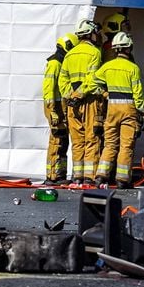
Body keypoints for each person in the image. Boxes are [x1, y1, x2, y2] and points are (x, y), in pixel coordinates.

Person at [91, 31, 144, 188]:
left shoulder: (107, 67)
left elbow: (93, 83)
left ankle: (101, 176)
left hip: (112, 108)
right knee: (126, 146)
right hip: (129, 108)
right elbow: (138, 92)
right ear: (129, 49)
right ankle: (122, 179)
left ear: (115, 49)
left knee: (110, 144)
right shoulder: (133, 68)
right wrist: (141, 110)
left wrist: (105, 93)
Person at [58, 19, 103, 186]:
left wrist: (71, 96)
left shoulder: (69, 54)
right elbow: (93, 79)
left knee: (77, 141)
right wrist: (80, 94)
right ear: (90, 34)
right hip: (89, 101)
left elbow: (62, 81)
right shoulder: (95, 53)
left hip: (72, 104)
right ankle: (89, 177)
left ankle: (77, 176)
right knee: (92, 138)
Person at [41, 33, 78, 185]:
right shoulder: (55, 63)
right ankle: (52, 176)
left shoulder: (62, 62)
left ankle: (60, 174)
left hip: (60, 107)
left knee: (63, 142)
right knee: (57, 141)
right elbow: (48, 89)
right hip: (55, 107)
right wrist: (53, 111)